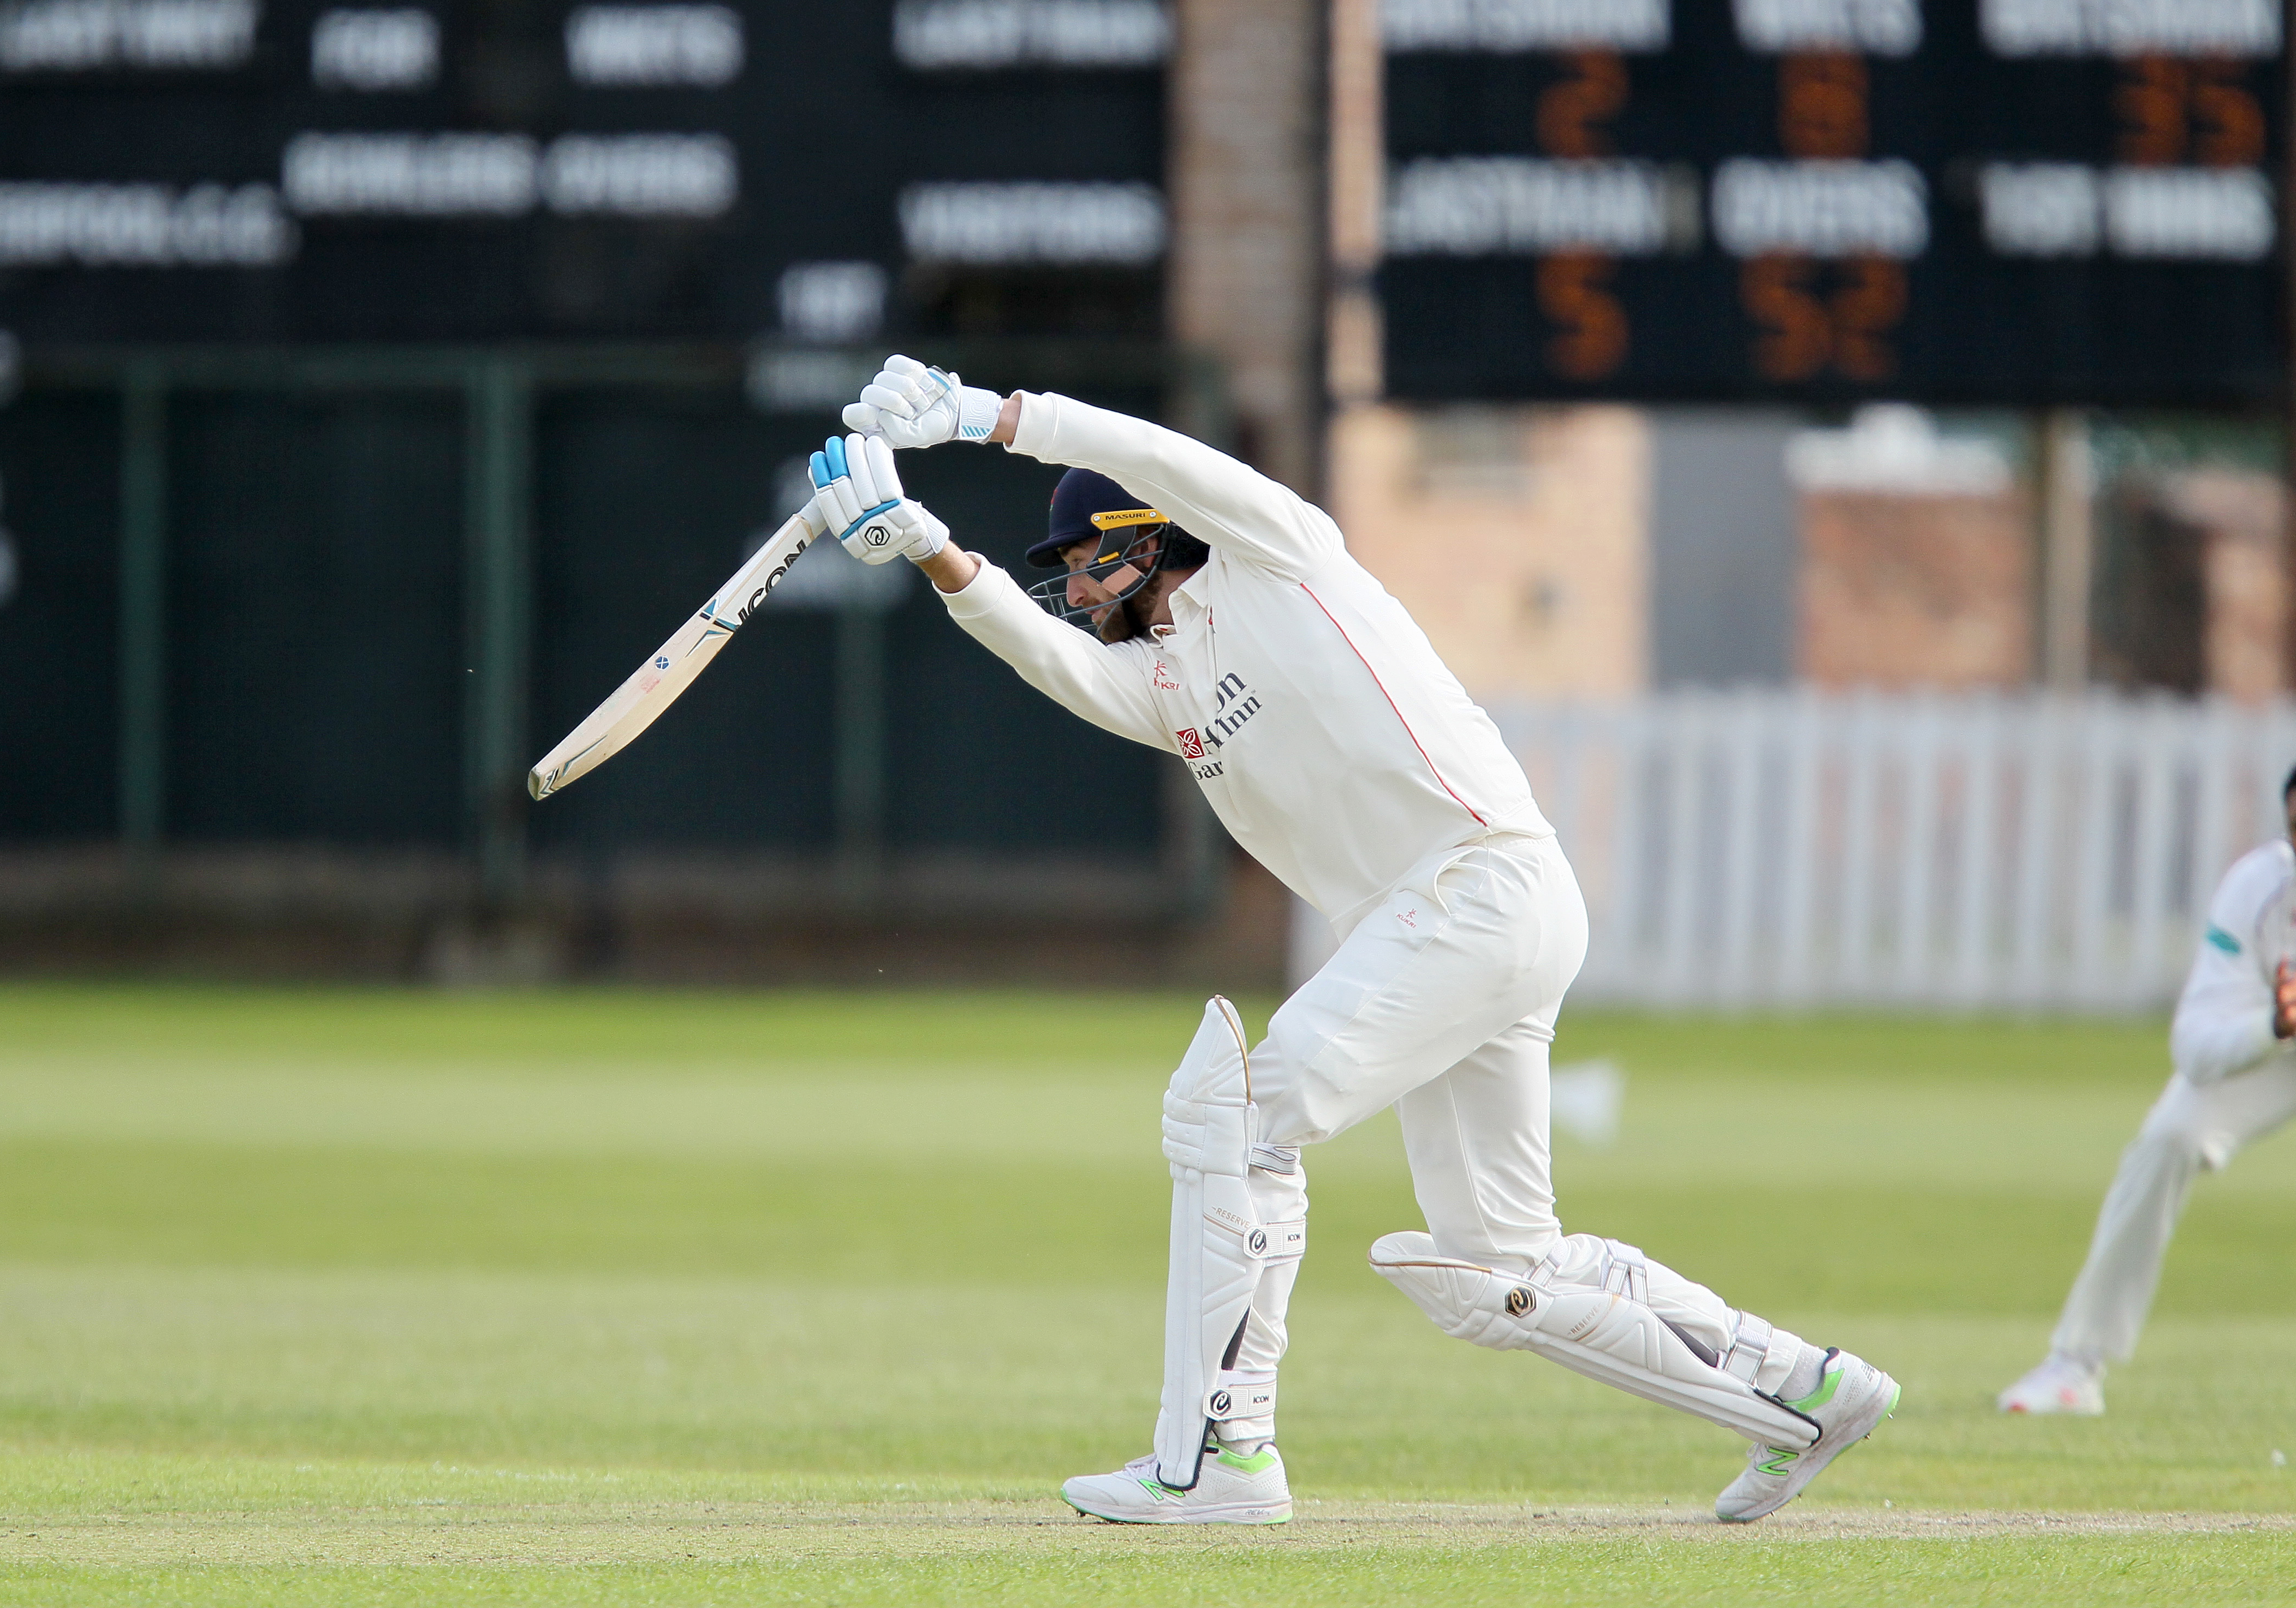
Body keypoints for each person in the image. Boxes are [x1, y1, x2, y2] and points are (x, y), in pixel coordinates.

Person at [805, 357, 1899, 1524]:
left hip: (1478, 886)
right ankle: (1803, 1387)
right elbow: (1054, 661)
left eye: (1085, 560)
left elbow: (1165, 459)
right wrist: (929, 546)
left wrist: (987, 417)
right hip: (1450, 926)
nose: (1073, 587)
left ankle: (1223, 1455)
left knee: (1234, 1116)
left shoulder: (1282, 554)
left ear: (1151, 538)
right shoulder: (1166, 679)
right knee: (1499, 1271)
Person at [1999, 751, 2296, 1416]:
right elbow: (2194, 1047)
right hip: (2294, 1047)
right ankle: (2075, 1367)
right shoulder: (2257, 888)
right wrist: (2272, 1025)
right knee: (2170, 1137)